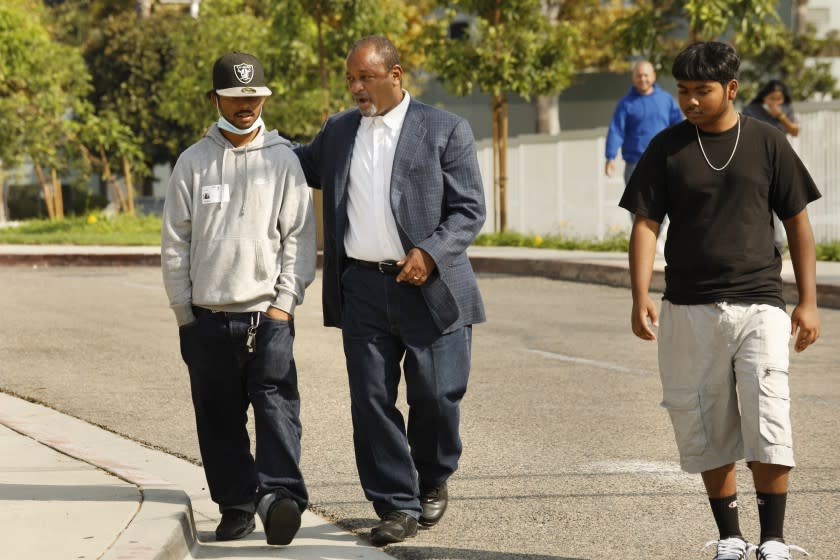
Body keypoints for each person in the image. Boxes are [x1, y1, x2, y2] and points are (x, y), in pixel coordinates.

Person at [619, 42, 821, 560]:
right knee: (706, 421)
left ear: (730, 89)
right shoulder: (667, 148)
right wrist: (641, 293)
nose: (690, 100)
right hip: (688, 306)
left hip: (760, 304)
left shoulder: (768, 142)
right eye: (683, 90)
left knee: (768, 415)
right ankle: (731, 539)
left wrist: (808, 302)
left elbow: (798, 222)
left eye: (701, 91)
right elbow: (645, 223)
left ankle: (773, 540)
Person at [294, 35, 486, 546]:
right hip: (362, 287)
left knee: (438, 395)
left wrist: (430, 252)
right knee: (372, 399)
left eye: (365, 78)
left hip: (431, 286)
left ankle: (434, 475)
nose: (356, 88)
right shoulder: (337, 131)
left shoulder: (446, 129)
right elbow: (297, 163)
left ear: (396, 75)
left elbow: (468, 210)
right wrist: (247, 132)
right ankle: (396, 505)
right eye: (350, 79)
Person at [161, 51, 316, 546]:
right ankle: (236, 504)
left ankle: (281, 499)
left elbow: (299, 239)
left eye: (252, 96)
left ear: (263, 98)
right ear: (216, 100)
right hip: (206, 318)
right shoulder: (192, 162)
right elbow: (174, 243)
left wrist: (283, 305)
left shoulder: (283, 160)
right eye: (234, 97)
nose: (244, 105)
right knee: (217, 416)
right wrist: (184, 313)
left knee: (276, 411)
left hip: (266, 315)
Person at [605, 60, 683, 253]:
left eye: (646, 75)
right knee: (637, 206)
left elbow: (678, 126)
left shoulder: (665, 100)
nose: (643, 79)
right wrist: (610, 156)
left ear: (653, 76)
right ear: (634, 78)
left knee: (663, 202)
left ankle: (656, 237)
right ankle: (641, 241)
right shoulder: (626, 103)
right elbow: (616, 130)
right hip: (635, 162)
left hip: (663, 161)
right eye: (639, 75)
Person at [743, 80, 801, 252]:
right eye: (772, 98)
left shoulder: (786, 110)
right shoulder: (751, 110)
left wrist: (781, 116)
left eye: (779, 99)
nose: (775, 102)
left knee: (783, 202)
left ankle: (779, 243)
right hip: (756, 161)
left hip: (779, 161)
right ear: (764, 97)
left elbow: (795, 131)